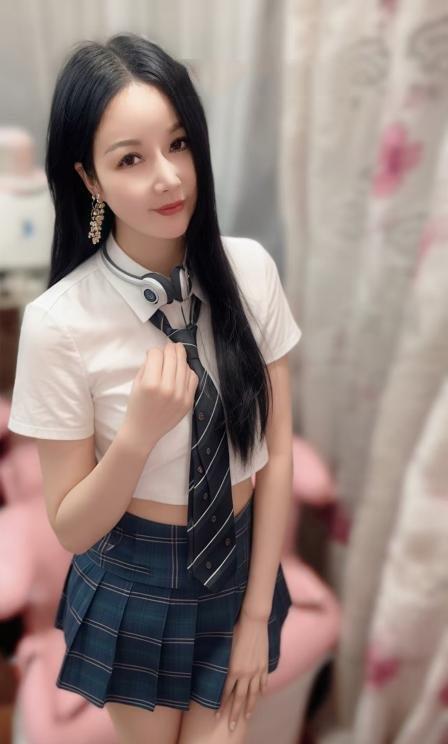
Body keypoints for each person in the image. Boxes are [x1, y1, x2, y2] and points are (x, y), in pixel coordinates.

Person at [7, 32, 302, 744]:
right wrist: (137, 436)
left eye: (178, 144)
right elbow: (71, 526)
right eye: (131, 159)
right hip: (135, 580)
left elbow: (277, 456)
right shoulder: (58, 323)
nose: (169, 178)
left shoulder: (250, 271)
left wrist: (255, 615)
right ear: (89, 179)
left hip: (240, 567)